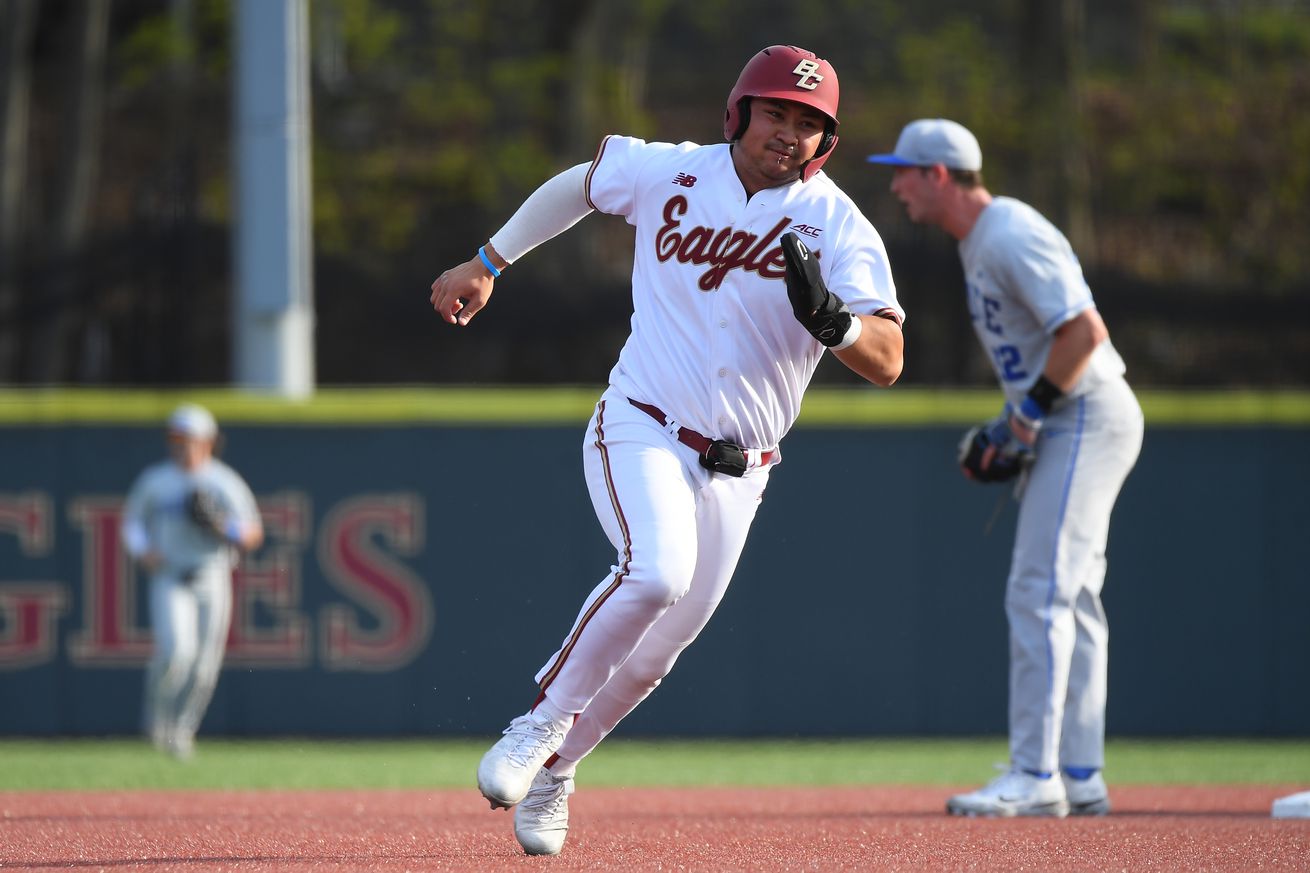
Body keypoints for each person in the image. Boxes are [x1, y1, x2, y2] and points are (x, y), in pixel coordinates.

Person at [430, 44, 904, 855]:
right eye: (775, 113)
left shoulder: (837, 224)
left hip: (742, 468)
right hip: (642, 422)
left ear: (826, 139)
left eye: (807, 122)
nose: (787, 133)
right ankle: (538, 722)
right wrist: (488, 262)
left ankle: (559, 770)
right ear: (739, 112)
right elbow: (577, 186)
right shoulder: (669, 170)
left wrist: (837, 324)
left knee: (652, 659)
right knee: (655, 570)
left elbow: (889, 358)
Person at [867, 119, 1143, 817]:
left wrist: (1025, 419)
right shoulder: (981, 240)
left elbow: (1084, 331)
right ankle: (1078, 773)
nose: (895, 183)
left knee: (1038, 590)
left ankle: (1035, 772)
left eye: (905, 170)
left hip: (1087, 410)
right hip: (1070, 415)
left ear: (938, 174)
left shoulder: (1010, 230)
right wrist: (1013, 424)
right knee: (1070, 596)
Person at [120, 403, 264, 760]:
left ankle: (183, 732)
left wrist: (221, 527)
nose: (182, 446)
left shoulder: (223, 481)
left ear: (208, 442)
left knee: (204, 667)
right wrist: (143, 550)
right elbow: (131, 522)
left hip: (212, 575)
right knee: (175, 654)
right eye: (176, 438)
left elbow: (252, 533)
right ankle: (156, 719)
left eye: (189, 439)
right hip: (171, 575)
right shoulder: (157, 479)